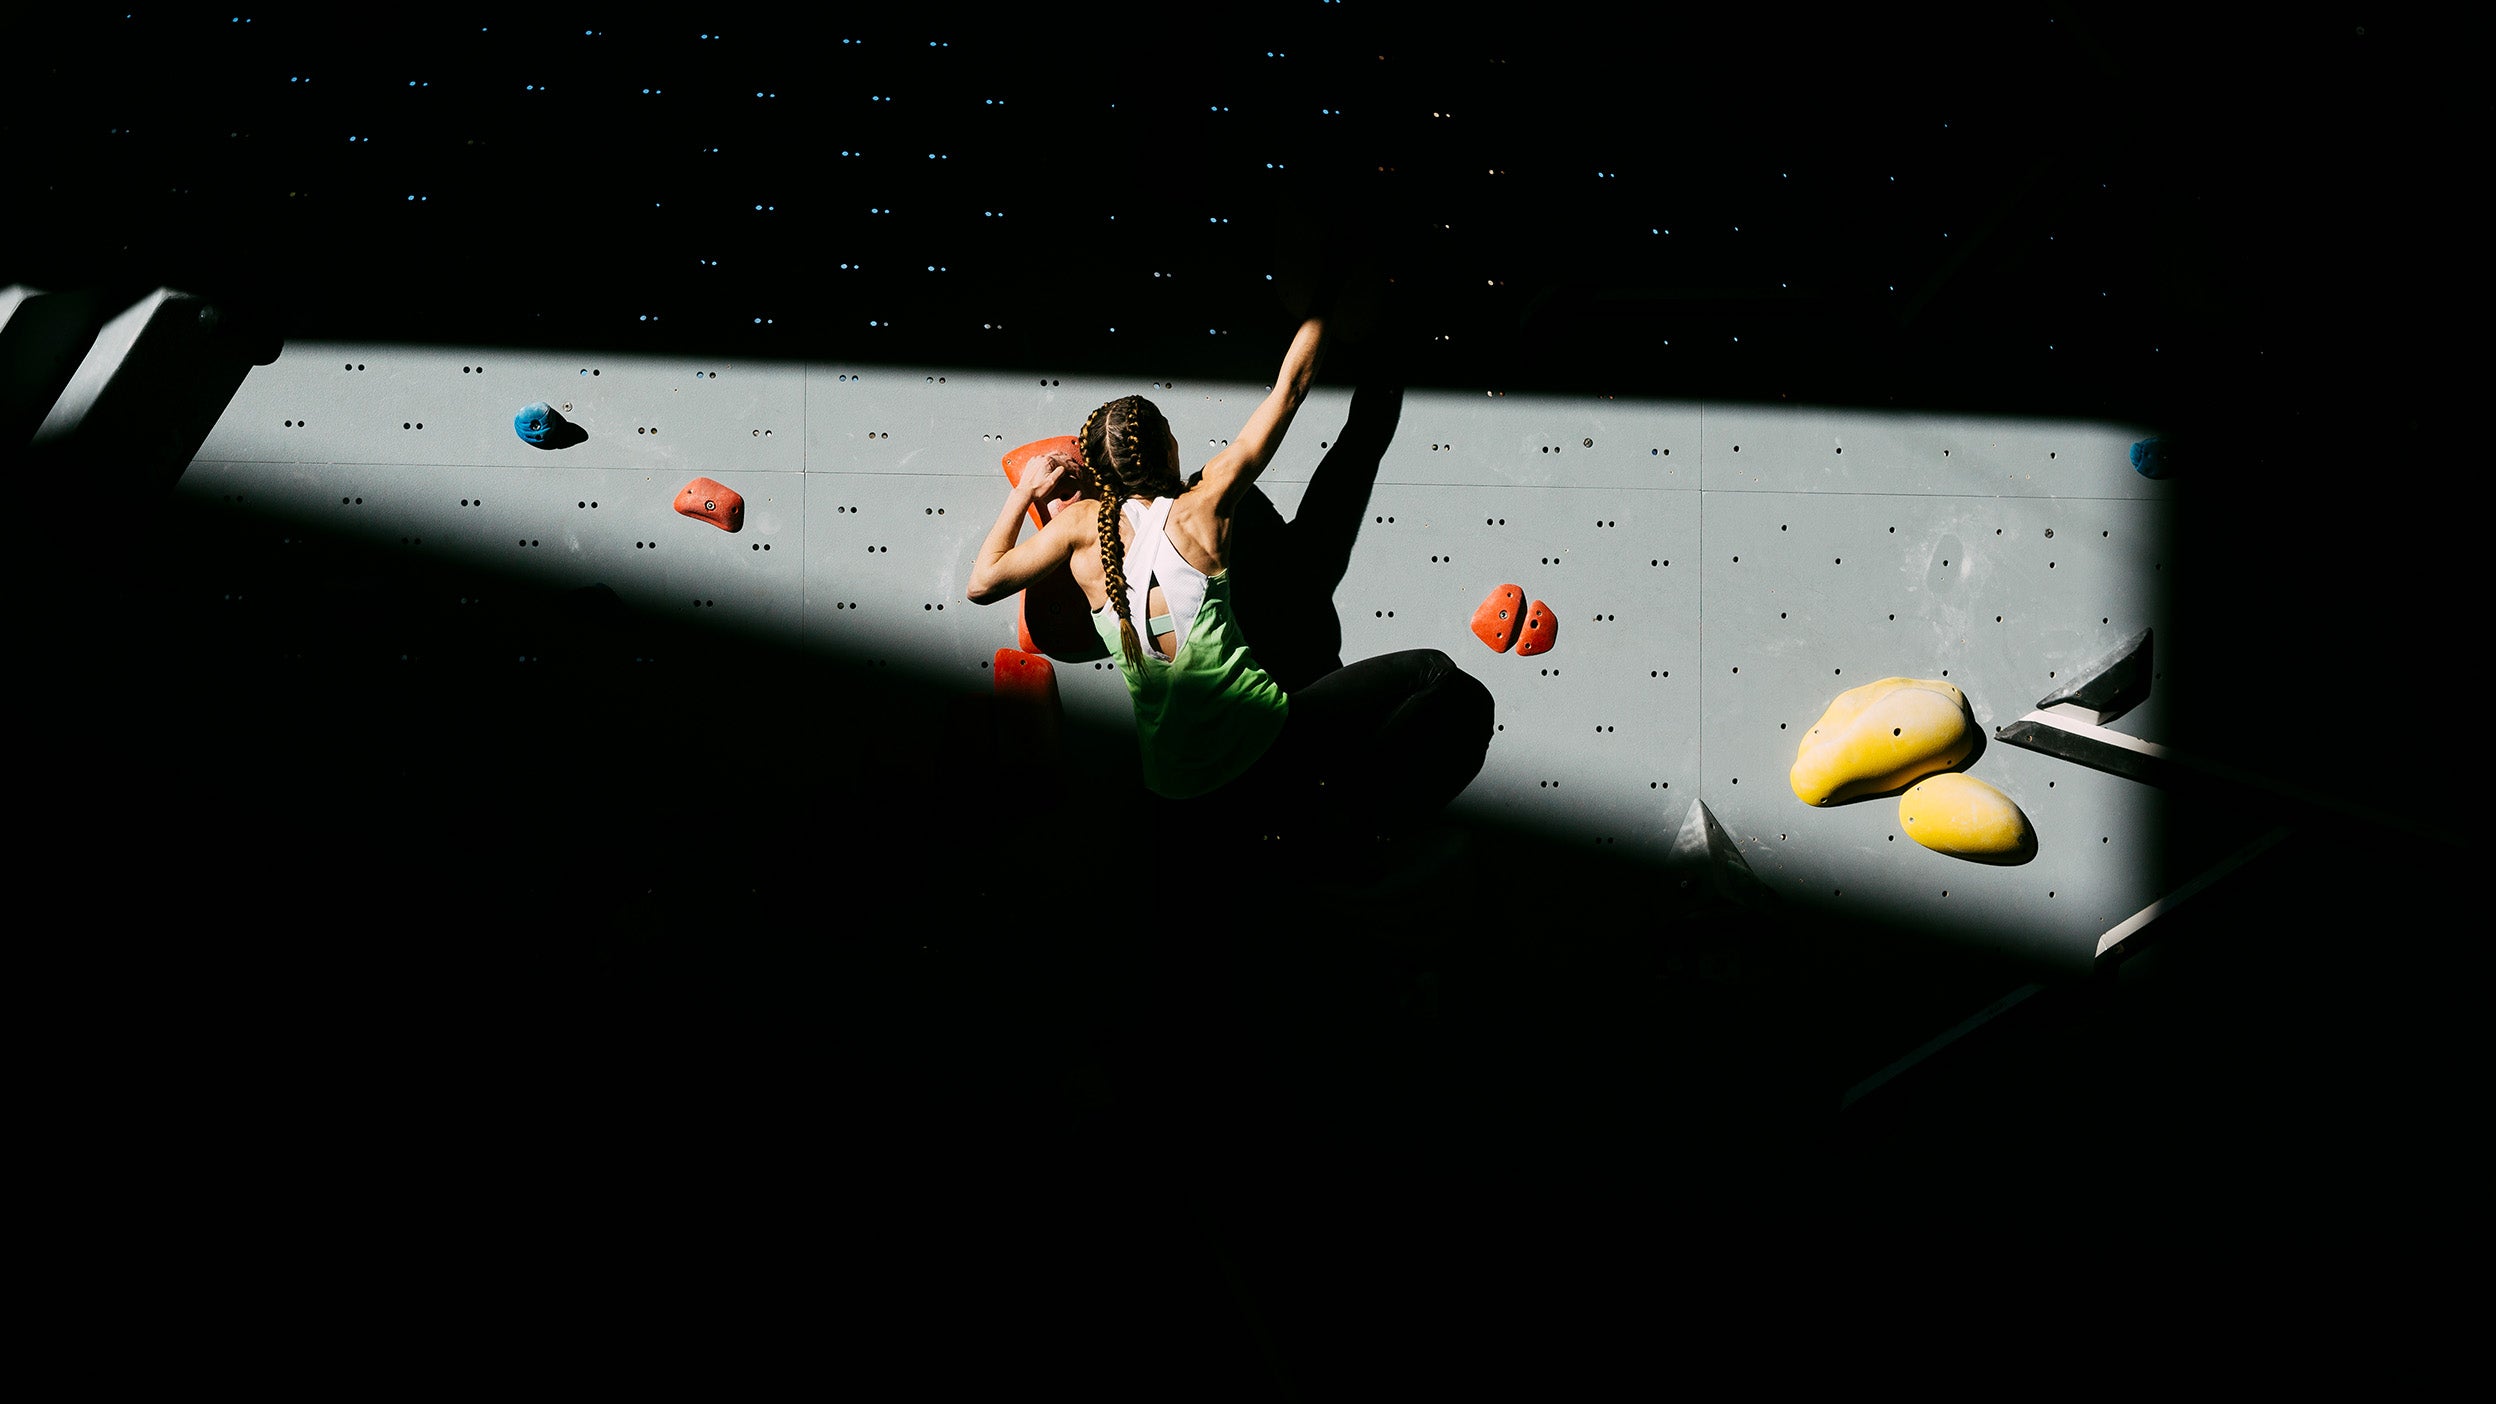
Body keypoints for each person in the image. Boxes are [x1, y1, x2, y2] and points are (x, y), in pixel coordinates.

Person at [965, 314, 1494, 851]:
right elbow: (1289, 391)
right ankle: (1362, 828)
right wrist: (1326, 306)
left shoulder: (1079, 532)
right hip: (1267, 744)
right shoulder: (1204, 505)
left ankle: (1334, 819)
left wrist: (1026, 489)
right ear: (1169, 449)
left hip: (1174, 792)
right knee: (1442, 679)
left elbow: (982, 583)